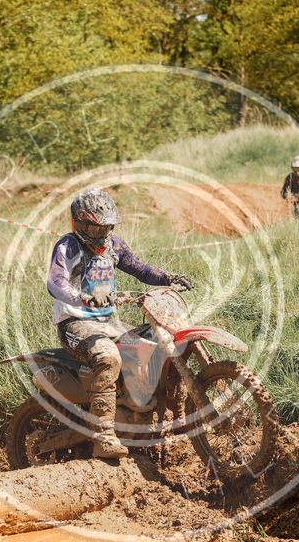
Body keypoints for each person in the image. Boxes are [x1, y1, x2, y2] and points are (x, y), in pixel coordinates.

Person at [47, 188, 192, 459]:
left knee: (158, 343)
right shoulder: (69, 246)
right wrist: (84, 298)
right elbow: (55, 282)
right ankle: (104, 437)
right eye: (96, 228)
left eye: (107, 227)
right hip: (75, 324)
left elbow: (140, 268)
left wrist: (169, 278)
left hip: (109, 322)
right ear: (79, 223)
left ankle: (158, 415)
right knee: (109, 357)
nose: (102, 234)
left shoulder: (115, 245)